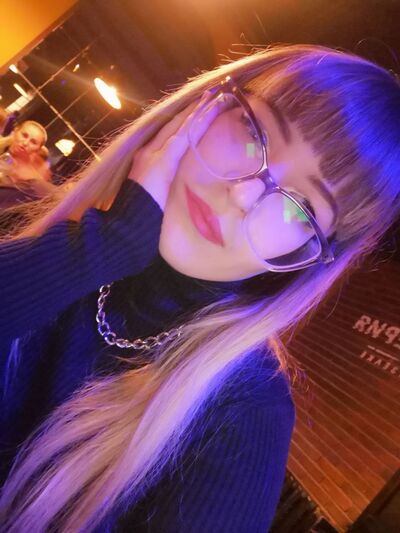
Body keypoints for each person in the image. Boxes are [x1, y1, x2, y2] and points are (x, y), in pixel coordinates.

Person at [0, 44, 399, 532]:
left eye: (300, 207)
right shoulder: (33, 233)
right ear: (203, 107)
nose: (244, 193)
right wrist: (104, 245)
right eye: (253, 133)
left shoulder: (245, 417)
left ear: (305, 255)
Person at [0, 120, 55, 209]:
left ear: (37, 149)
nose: (25, 143)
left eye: (33, 142)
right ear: (16, 131)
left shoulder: (27, 179)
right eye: (24, 135)